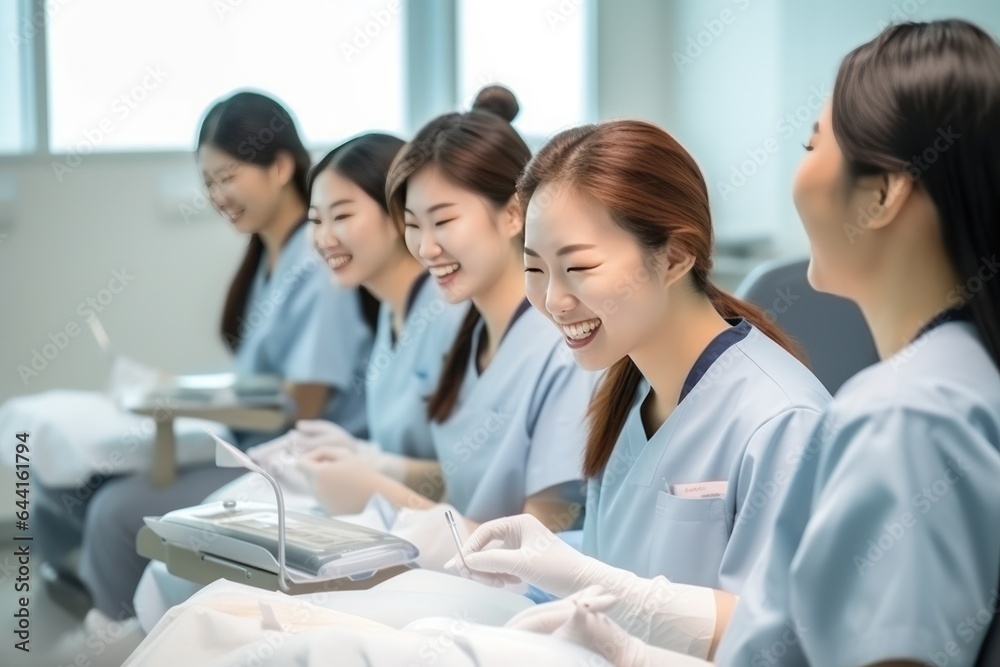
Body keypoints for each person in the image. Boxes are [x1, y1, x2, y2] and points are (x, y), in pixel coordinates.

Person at [472, 19, 1000, 667]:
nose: (554, 298)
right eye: (534, 266)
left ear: (884, 193)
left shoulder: (894, 414)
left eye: (812, 146)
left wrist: (631, 634)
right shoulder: (954, 378)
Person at [41, 91, 376, 633]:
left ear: (281, 166)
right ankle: (105, 614)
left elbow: (302, 401)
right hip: (254, 443)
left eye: (228, 176)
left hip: (296, 458)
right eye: (208, 183)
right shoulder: (269, 260)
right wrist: (181, 389)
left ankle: (131, 637)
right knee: (70, 485)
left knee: (111, 509)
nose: (217, 195)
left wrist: (184, 398)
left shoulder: (315, 263)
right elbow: (260, 382)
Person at [295, 86, 599, 535]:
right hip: (455, 572)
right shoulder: (473, 335)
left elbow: (545, 547)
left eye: (443, 221)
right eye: (414, 226)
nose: (426, 247)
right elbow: (456, 482)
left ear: (513, 214)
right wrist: (371, 469)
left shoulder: (564, 349)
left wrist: (392, 501)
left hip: (516, 596)